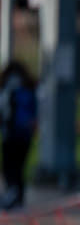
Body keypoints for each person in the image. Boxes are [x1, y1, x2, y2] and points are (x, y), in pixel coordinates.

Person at [0, 60, 39, 210]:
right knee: (19, 168)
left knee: (11, 168)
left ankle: (13, 196)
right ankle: (17, 198)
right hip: (24, 135)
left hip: (12, 134)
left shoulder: (9, 89)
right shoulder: (28, 88)